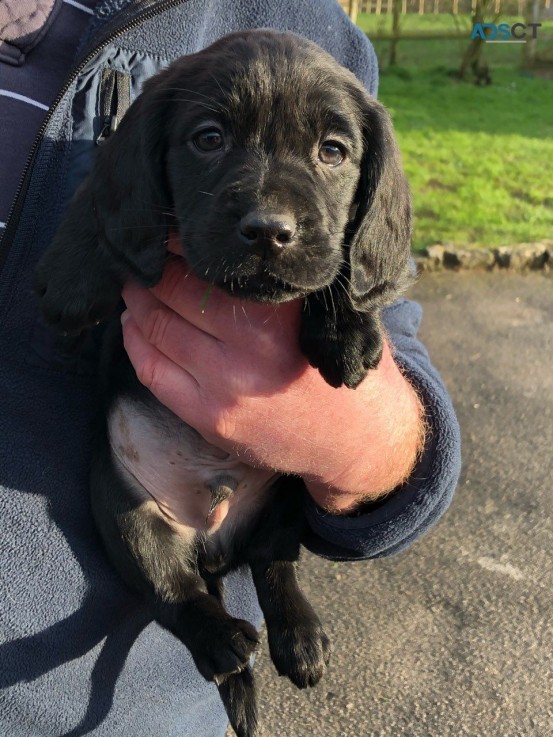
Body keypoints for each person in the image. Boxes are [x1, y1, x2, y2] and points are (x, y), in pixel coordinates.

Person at [0, 1, 461, 735]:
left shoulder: (318, 30)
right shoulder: (147, 135)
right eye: (211, 137)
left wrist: (360, 438)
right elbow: (98, 226)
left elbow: (384, 318)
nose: (272, 212)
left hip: (145, 716)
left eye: (330, 151)